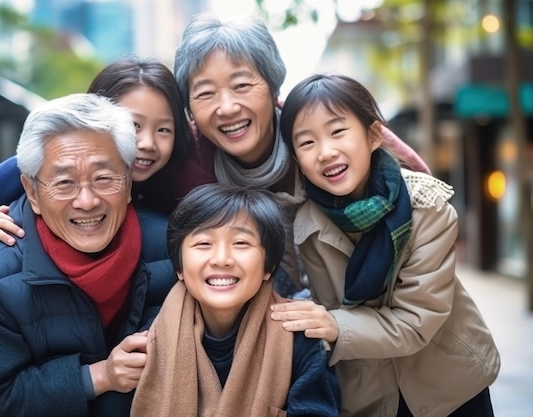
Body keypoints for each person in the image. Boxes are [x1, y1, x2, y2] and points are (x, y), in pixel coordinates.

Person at [271, 73, 500, 417]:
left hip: (449, 384)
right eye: (306, 143)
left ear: (374, 134)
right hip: (369, 394)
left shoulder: (426, 205)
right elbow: (329, 308)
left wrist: (334, 325)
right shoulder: (305, 224)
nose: (326, 152)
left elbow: (415, 319)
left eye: (337, 132)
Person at [0, 93, 158, 417]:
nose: (87, 200)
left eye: (104, 178)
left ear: (129, 180)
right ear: (31, 192)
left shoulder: (170, 248)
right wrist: (101, 376)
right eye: (65, 183)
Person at [172, 13, 430, 296]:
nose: (228, 107)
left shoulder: (316, 124)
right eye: (206, 93)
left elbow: (421, 189)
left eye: (242, 85)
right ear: (190, 111)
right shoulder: (187, 164)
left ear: (273, 89)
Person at [0, 55, 209, 255]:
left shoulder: (175, 180)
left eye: (164, 129)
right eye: (133, 126)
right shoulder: (50, 162)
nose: (147, 142)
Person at [130, 183, 341, 417]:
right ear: (179, 267)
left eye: (241, 243)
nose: (221, 259)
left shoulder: (299, 338)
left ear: (268, 266)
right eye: (203, 244)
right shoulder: (151, 339)